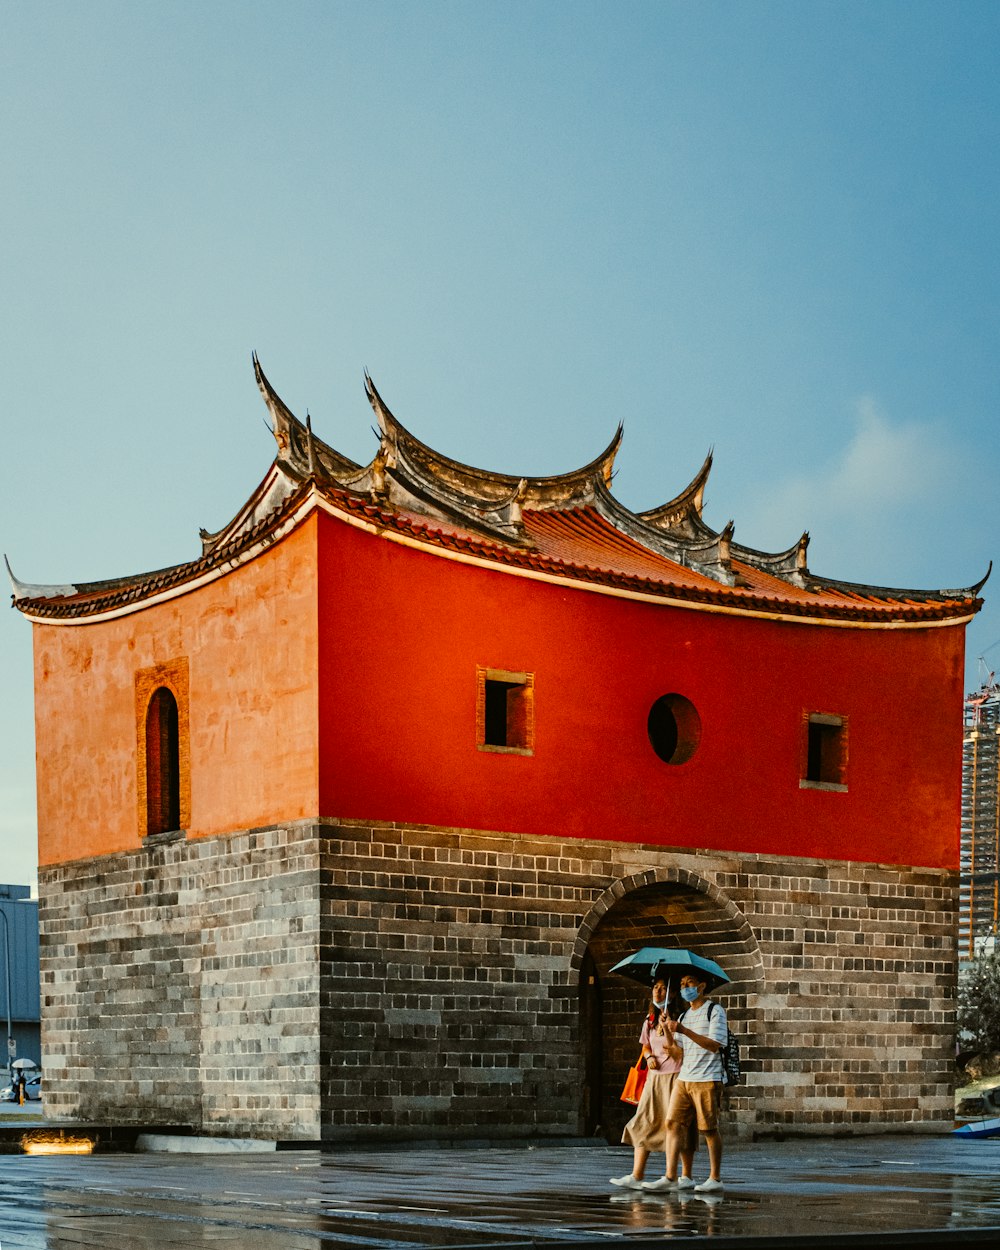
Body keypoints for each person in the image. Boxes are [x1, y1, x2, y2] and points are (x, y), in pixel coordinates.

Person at [610, 978, 697, 1191]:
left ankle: (685, 1176)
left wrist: (668, 1027)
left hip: (676, 1077)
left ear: (673, 995)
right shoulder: (649, 1020)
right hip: (654, 1077)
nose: (658, 992)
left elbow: (674, 1050)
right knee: (644, 1120)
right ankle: (636, 1174)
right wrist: (648, 1057)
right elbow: (646, 1046)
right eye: (656, 988)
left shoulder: (682, 1019)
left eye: (664, 988)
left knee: (678, 1124)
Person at [663, 972, 728, 1193]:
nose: (684, 988)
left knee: (708, 1129)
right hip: (685, 1078)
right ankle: (672, 1176)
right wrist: (667, 1030)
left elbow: (714, 1044)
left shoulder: (714, 1011)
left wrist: (684, 1030)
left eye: (689, 983)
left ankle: (715, 1178)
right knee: (673, 1123)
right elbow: (677, 1054)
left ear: (701, 986)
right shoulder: (683, 1016)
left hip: (707, 1078)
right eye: (681, 984)